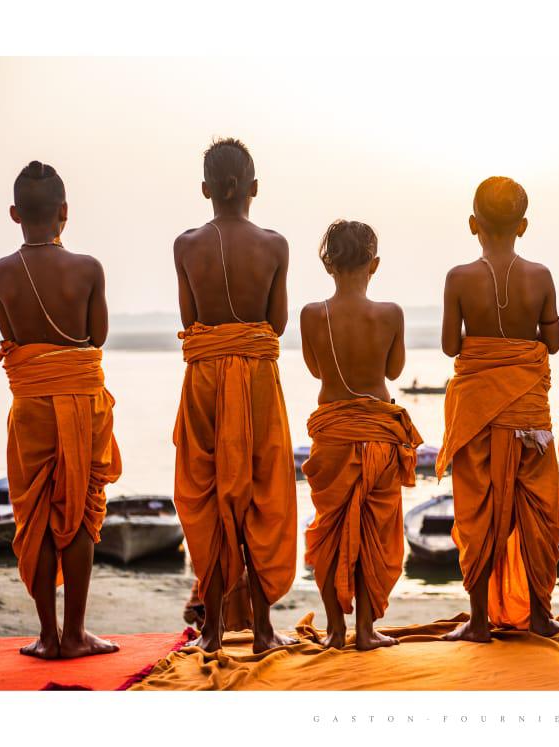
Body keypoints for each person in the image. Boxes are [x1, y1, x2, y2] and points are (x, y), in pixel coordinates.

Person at [0, 160, 122, 659]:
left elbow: (10, 337)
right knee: (81, 510)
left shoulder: (1, 273)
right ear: (65, 211)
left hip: (30, 407)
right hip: (83, 404)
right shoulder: (88, 269)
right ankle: (76, 634)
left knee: (38, 515)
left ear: (14, 214)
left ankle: (47, 636)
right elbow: (97, 336)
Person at [172, 138, 296, 653]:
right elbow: (277, 323)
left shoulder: (185, 245)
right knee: (260, 493)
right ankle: (263, 630)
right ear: (254, 188)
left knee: (209, 494)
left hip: (204, 381)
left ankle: (213, 629)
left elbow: (190, 321)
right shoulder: (275, 245)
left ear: (205, 189)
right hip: (258, 380)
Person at [436, 176, 559, 642]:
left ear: (473, 224)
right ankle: (540, 615)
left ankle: (478, 621)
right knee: (538, 514)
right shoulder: (541, 276)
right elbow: (554, 343)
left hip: (477, 413)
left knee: (478, 514)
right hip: (530, 417)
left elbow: (450, 345)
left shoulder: (458, 278)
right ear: (523, 225)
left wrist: (485, 342)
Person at [299, 220, 423, 651]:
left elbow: (315, 369)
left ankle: (336, 630)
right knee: (376, 529)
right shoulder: (390, 314)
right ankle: (366, 629)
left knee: (330, 531)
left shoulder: (312, 314)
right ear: (375, 264)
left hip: (334, 432)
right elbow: (394, 370)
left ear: (327, 264)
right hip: (379, 432)